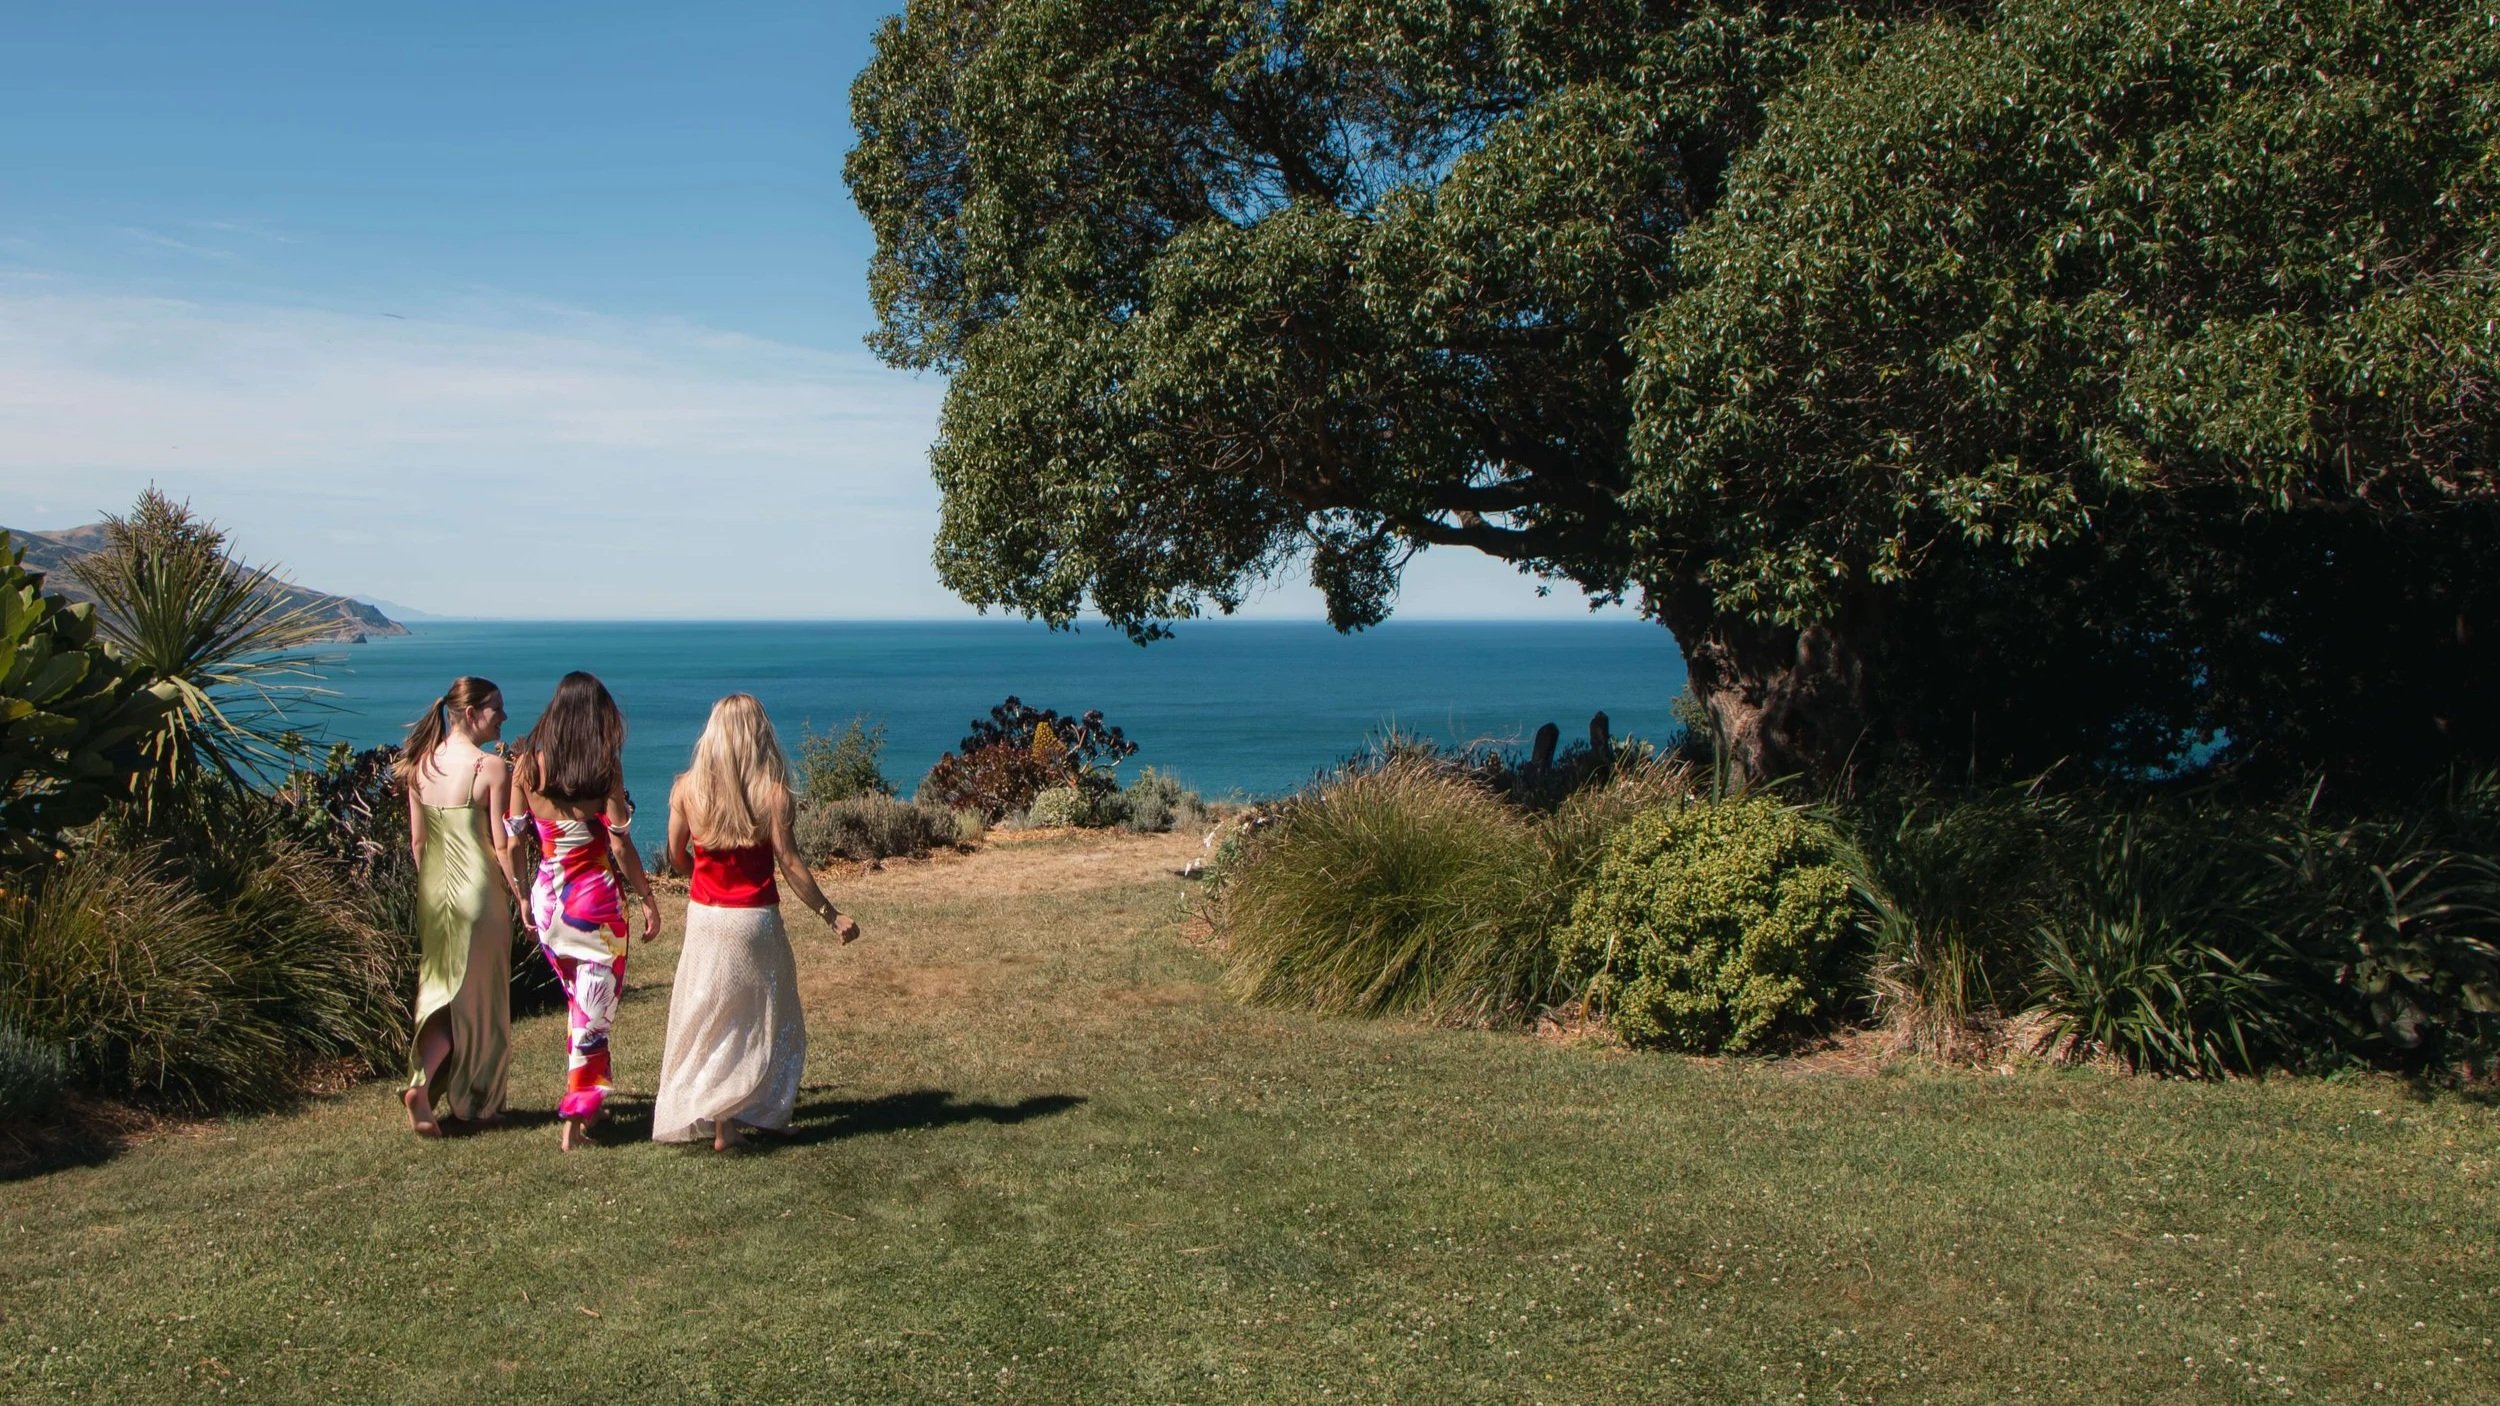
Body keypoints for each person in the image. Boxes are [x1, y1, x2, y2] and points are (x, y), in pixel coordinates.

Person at [652, 694, 859, 1151]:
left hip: (706, 919)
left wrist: (699, 878)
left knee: (709, 1013)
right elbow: (790, 864)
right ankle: (763, 1112)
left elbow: (674, 854)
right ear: (757, 734)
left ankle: (727, 1118)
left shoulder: (686, 788)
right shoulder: (773, 793)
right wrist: (830, 913)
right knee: (769, 1016)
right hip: (755, 920)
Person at [507, 671, 661, 1150]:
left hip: (549, 899)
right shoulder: (604, 768)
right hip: (595, 906)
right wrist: (647, 895)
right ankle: (576, 1114)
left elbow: (513, 839)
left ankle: (590, 1108)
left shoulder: (526, 768)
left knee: (583, 1004)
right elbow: (619, 844)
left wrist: (519, 896)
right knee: (594, 1012)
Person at [394, 677, 523, 1137]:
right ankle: (479, 1102)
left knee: (442, 992)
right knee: (483, 999)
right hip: (478, 890)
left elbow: (417, 842)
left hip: (434, 892)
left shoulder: (419, 766)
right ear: (471, 714)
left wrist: (435, 883)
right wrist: (523, 897)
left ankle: (422, 1082)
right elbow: (503, 846)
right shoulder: (491, 768)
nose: (503, 717)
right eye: (496, 709)